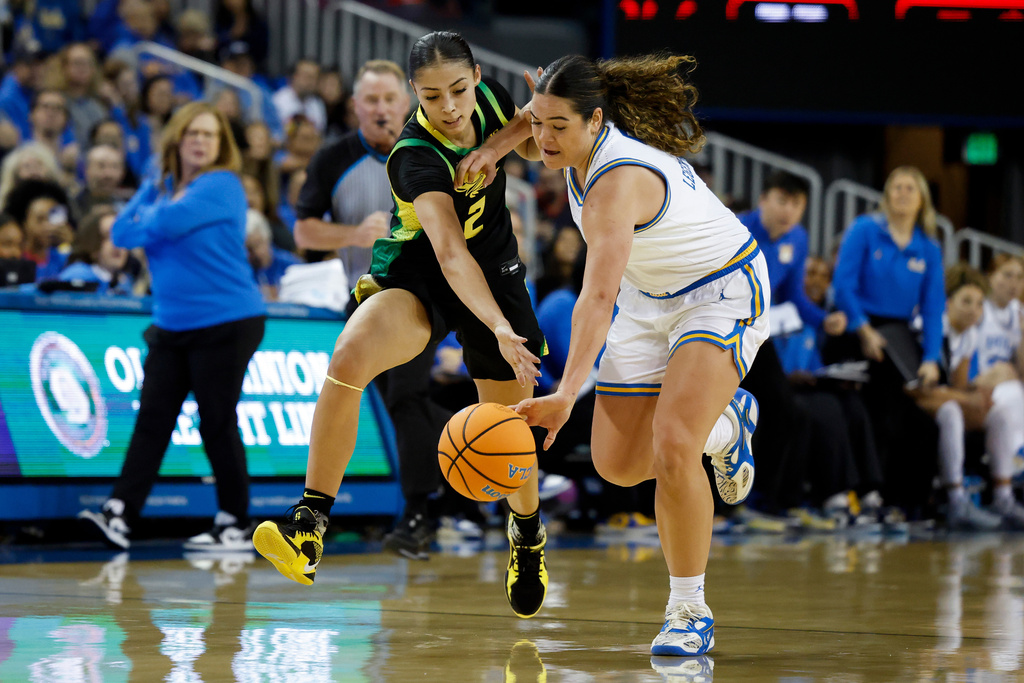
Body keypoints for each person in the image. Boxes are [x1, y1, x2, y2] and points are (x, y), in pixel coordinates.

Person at [461, 53, 767, 655]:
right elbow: (528, 121)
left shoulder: (616, 180)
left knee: (675, 445)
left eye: (558, 127)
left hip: (719, 288)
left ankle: (688, 610)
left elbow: (596, 298)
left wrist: (567, 392)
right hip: (648, 297)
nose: (544, 139)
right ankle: (727, 426)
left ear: (596, 120)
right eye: (539, 122)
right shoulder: (559, 138)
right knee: (619, 465)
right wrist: (497, 148)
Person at [253, 32, 549, 620]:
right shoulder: (412, 153)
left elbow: (536, 144)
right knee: (347, 360)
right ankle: (309, 526)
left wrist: (517, 133)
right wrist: (496, 325)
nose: (449, 107)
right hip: (429, 268)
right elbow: (448, 251)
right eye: (432, 95)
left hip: (498, 267)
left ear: (477, 77)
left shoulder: (486, 100)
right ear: (415, 93)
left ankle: (528, 532)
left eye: (459, 91)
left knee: (510, 426)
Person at [78, 102, 267, 552]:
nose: (201, 141)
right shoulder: (163, 190)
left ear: (220, 146)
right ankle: (120, 512)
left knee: (216, 421)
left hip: (227, 320)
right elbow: (122, 235)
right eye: (192, 133)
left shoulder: (223, 185)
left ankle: (235, 520)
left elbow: (165, 223)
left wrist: (149, 204)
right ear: (177, 141)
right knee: (152, 419)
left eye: (210, 134)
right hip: (171, 325)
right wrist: (149, 186)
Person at [292, 59, 455, 559]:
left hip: (420, 294)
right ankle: (465, 444)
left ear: (405, 103)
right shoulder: (333, 158)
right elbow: (302, 232)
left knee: (405, 396)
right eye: (372, 100)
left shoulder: (433, 151)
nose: (382, 108)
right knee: (388, 398)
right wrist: (352, 236)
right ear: (355, 106)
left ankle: (417, 515)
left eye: (390, 99)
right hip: (361, 293)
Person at [830, 165, 944, 514]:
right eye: (896, 186)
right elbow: (843, 284)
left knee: (916, 418)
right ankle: (869, 492)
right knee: (878, 407)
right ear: (886, 194)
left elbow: (934, 306)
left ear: (922, 198)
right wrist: (864, 329)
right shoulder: (865, 229)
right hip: (856, 328)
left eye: (911, 187)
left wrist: (930, 357)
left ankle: (907, 501)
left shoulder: (928, 247)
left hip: (899, 334)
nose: (903, 193)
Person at [58, 205, 134, 294]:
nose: (116, 244)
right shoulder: (77, 276)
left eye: (120, 237)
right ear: (91, 242)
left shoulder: (124, 283)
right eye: (106, 237)